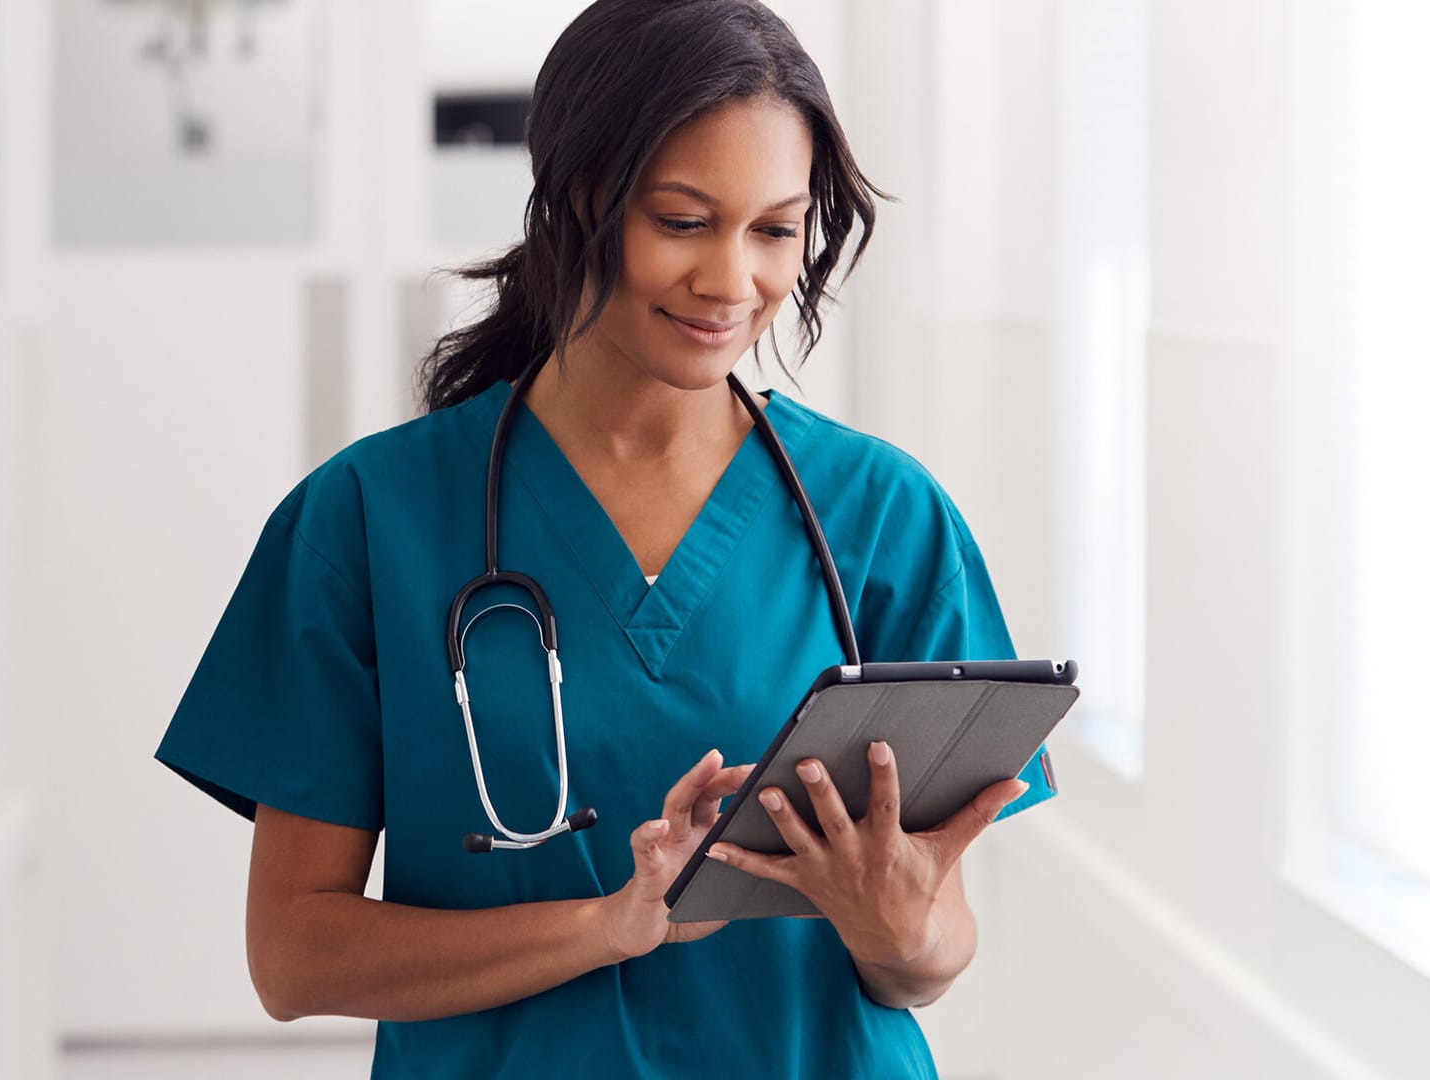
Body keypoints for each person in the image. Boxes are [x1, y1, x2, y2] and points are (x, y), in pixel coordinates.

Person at [155, 0, 1054, 1075]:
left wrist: (898, 926)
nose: (733, 281)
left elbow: (932, 956)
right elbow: (294, 956)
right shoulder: (363, 522)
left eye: (774, 229)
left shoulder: (886, 521)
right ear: (577, 200)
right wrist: (604, 925)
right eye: (682, 220)